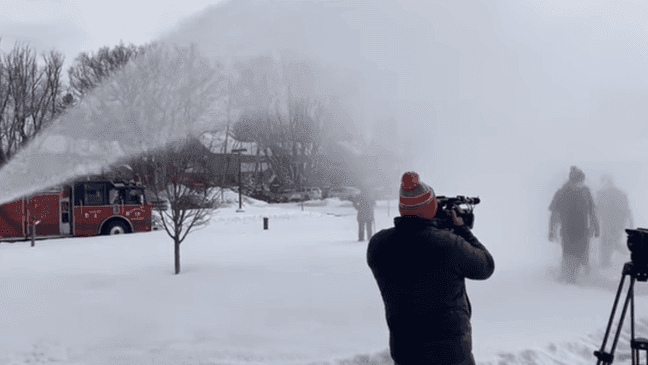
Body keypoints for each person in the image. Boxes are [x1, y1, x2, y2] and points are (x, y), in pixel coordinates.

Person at [367, 171, 495, 365]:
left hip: (405, 351)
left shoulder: (378, 245)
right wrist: (461, 229)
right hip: (451, 353)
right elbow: (485, 266)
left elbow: (416, 252)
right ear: (429, 208)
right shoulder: (448, 245)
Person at [548, 166, 599, 283]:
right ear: (572, 181)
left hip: (583, 229)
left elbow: (592, 210)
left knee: (582, 251)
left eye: (582, 181)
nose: (580, 184)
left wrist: (595, 226)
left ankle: (578, 274)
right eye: (578, 181)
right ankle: (568, 276)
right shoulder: (562, 193)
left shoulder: (585, 191)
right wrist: (552, 230)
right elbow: (554, 213)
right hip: (567, 229)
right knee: (569, 252)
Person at [595, 174, 633, 268]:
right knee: (612, 240)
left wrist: (594, 221)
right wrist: (630, 221)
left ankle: (605, 262)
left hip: (609, 222)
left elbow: (597, 209)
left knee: (606, 241)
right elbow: (627, 209)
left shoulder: (602, 193)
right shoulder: (620, 193)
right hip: (617, 222)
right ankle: (607, 261)